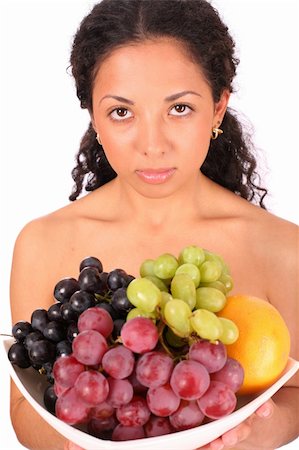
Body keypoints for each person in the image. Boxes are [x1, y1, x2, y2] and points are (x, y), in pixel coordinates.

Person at [9, 0, 298, 449]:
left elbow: (295, 398)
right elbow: (25, 406)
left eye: (179, 108)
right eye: (122, 112)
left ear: (218, 107)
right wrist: (71, 442)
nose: (153, 144)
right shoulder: (42, 243)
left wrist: (249, 435)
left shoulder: (284, 248)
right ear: (94, 119)